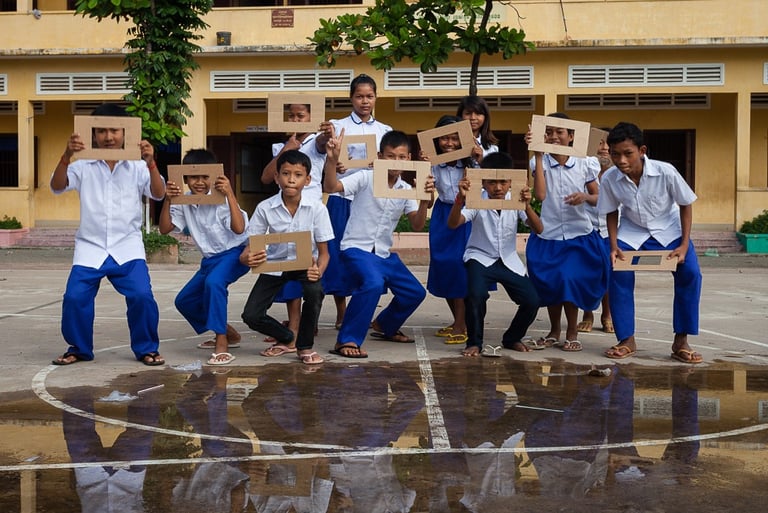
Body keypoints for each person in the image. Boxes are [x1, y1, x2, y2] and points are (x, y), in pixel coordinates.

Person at [50, 103, 166, 366]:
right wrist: (66, 156)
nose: (108, 136)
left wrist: (151, 163)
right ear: (93, 134)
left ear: (125, 133)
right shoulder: (82, 166)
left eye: (114, 130)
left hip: (127, 246)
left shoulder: (137, 167)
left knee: (142, 296)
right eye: (101, 131)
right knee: (74, 297)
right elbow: (57, 186)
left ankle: (147, 348)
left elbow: (158, 193)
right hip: (90, 246)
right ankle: (78, 348)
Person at [323, 129, 434, 358]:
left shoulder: (406, 189)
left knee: (414, 292)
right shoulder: (365, 178)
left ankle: (384, 325)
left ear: (409, 159)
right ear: (380, 157)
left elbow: (417, 224)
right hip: (356, 249)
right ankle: (347, 340)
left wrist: (424, 200)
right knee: (372, 284)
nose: (396, 161)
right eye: (391, 155)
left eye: (402, 157)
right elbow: (331, 187)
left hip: (383, 254)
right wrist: (332, 161)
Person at [598, 121, 703, 362]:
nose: (621, 160)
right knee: (617, 271)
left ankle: (681, 341)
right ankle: (626, 340)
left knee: (690, 273)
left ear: (642, 151)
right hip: (632, 232)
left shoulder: (666, 171)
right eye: (615, 154)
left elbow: (685, 205)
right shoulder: (610, 178)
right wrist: (614, 245)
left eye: (628, 154)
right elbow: (611, 211)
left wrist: (685, 243)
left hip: (669, 230)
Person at [524, 113, 610, 352]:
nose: (554, 136)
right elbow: (540, 195)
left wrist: (584, 196)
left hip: (578, 233)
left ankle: (572, 332)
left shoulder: (585, 162)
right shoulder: (537, 162)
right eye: (549, 131)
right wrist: (538, 155)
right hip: (548, 233)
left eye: (560, 132)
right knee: (552, 283)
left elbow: (598, 198)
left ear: (571, 136)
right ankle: (554, 330)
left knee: (569, 281)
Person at [240, 149, 333, 365]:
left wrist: (318, 270)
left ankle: (305, 346)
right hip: (274, 264)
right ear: (276, 177)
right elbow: (250, 247)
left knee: (315, 291)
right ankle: (287, 337)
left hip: (305, 264)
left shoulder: (317, 209)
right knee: (251, 315)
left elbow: (325, 253)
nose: (291, 180)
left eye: (298, 175)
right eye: (285, 173)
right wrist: (247, 258)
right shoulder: (265, 208)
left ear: (307, 179)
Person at [158, 148, 250, 366]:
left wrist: (230, 194)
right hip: (210, 260)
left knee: (214, 283)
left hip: (235, 253)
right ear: (186, 179)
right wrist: (168, 200)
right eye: (193, 177)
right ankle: (229, 333)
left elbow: (239, 229)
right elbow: (164, 229)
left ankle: (221, 343)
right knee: (184, 301)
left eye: (204, 176)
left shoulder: (222, 197)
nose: (199, 182)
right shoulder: (185, 200)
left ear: (213, 176)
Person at [447, 151, 543, 356]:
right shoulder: (476, 199)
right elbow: (454, 224)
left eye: (503, 182)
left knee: (532, 300)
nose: (497, 188)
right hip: (479, 256)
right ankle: (474, 342)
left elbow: (539, 228)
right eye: (491, 182)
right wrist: (459, 200)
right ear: (482, 182)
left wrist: (527, 206)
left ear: (510, 182)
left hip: (508, 259)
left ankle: (512, 338)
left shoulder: (515, 199)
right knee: (476, 295)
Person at [317, 74, 392, 330]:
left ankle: (362, 309)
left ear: (375, 98)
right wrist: (333, 161)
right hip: (341, 197)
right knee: (338, 255)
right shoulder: (337, 127)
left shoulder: (385, 131)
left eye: (369, 96)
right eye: (359, 96)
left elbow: (393, 167)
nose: (364, 101)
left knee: (367, 256)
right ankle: (341, 311)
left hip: (370, 201)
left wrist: (380, 164)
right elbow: (321, 152)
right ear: (351, 98)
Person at [259, 103, 327, 351]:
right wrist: (287, 149)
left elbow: (324, 144)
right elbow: (266, 177)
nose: (296, 119)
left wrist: (327, 134)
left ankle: (304, 332)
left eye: (302, 115)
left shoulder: (319, 143)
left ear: (312, 117)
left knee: (311, 274)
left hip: (309, 213)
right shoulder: (281, 146)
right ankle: (293, 330)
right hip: (284, 213)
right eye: (291, 115)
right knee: (288, 276)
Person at [424, 115, 476, 345]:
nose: (449, 143)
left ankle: (462, 324)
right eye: (443, 138)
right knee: (442, 265)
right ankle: (457, 320)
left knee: (459, 267)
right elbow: (427, 196)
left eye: (454, 138)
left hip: (464, 215)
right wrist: (423, 168)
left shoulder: (471, 163)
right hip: (441, 214)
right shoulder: (434, 163)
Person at [577, 129, 615, 334]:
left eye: (608, 144)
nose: (605, 148)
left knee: (610, 273)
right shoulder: (581, 170)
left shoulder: (619, 174)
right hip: (587, 229)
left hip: (612, 232)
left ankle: (607, 314)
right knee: (588, 274)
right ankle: (588, 313)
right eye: (600, 143)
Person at [456, 95, 499, 166]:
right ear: (460, 116)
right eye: (468, 113)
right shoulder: (452, 144)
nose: (473, 118)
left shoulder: (492, 149)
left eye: (478, 113)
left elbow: (494, 175)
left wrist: (481, 161)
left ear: (485, 117)